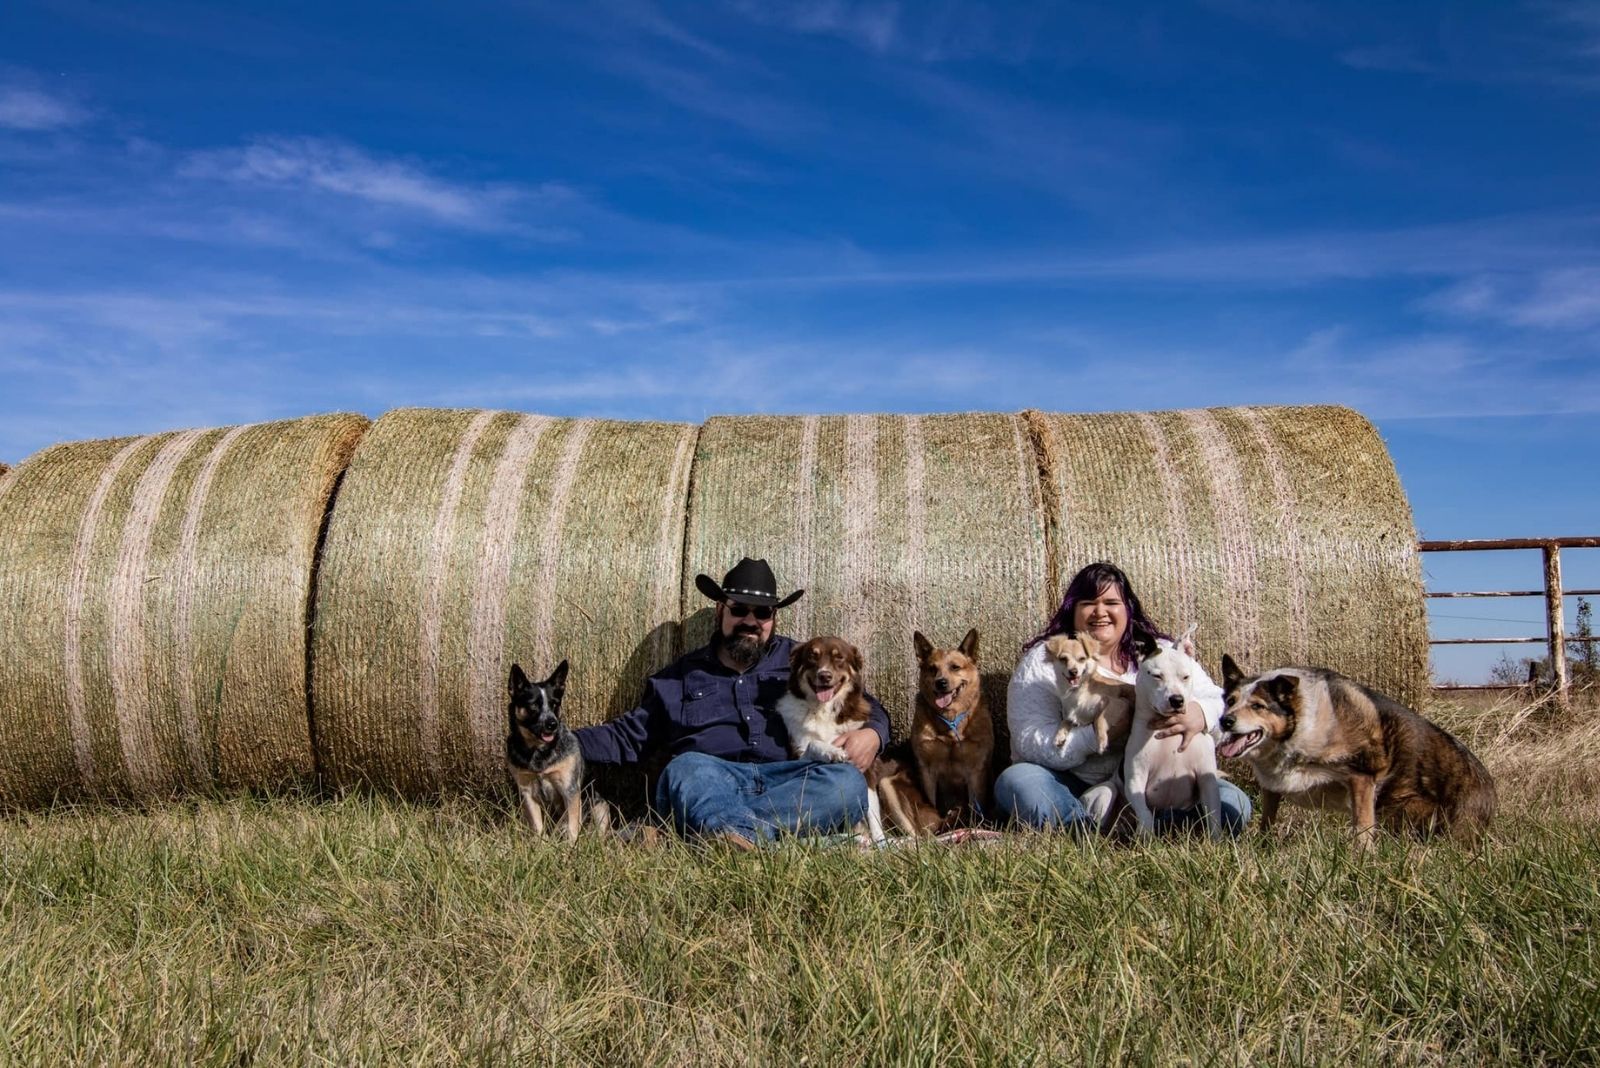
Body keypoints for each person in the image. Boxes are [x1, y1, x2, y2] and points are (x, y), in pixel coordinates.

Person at [575, 557, 889, 849]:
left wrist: (873, 734)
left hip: (790, 782)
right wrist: (557, 740)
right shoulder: (679, 678)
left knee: (847, 782)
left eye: (762, 613)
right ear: (720, 610)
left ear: (773, 618)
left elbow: (865, 704)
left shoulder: (801, 660)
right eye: (739, 609)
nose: (750, 621)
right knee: (684, 768)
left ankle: (731, 837)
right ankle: (769, 842)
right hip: (712, 782)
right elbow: (624, 736)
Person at [994, 561, 1253, 835]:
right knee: (1018, 782)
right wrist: (1095, 737)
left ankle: (1140, 826)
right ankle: (1083, 826)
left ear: (1127, 608)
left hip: (1163, 783)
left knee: (1234, 803)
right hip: (1074, 782)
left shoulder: (1161, 654)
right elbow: (1030, 741)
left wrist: (1201, 713)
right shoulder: (1047, 660)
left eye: (1111, 602)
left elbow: (1221, 701)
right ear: (1073, 610)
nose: (1100, 612)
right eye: (1089, 603)